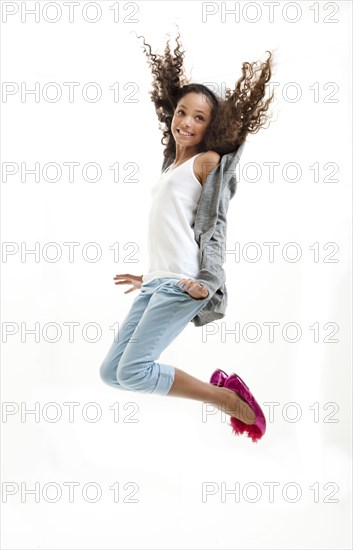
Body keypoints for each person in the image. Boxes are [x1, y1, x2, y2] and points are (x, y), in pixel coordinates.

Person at [100, 30, 275, 442]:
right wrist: (150, 275)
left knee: (134, 371)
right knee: (112, 373)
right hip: (159, 281)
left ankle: (227, 400)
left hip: (185, 284)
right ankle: (223, 395)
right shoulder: (171, 167)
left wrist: (208, 281)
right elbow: (174, 229)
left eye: (200, 117)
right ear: (171, 112)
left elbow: (215, 226)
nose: (187, 122)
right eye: (183, 112)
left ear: (213, 126)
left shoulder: (208, 162)